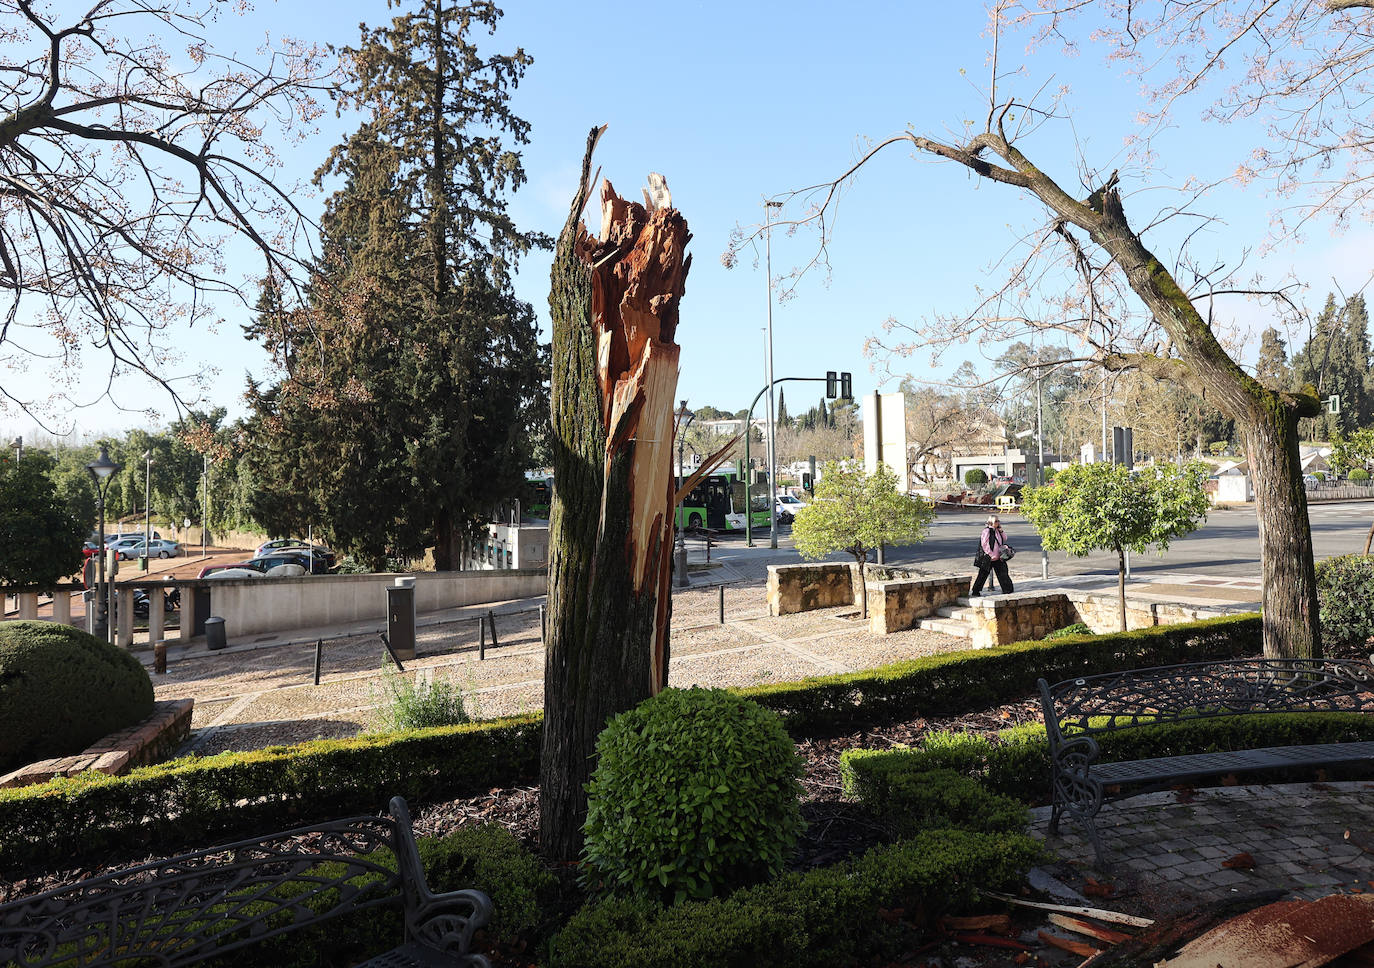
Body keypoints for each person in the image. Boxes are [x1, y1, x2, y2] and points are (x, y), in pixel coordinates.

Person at [971, 514, 1014, 596]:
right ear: (991, 522)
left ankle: (1008, 589)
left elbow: (1005, 538)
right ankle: (976, 591)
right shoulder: (986, 531)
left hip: (999, 557)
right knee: (982, 575)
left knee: (1003, 573)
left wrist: (1001, 530)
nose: (998, 523)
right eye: (996, 521)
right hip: (989, 557)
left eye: (998, 521)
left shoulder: (997, 530)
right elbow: (984, 544)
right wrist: (990, 554)